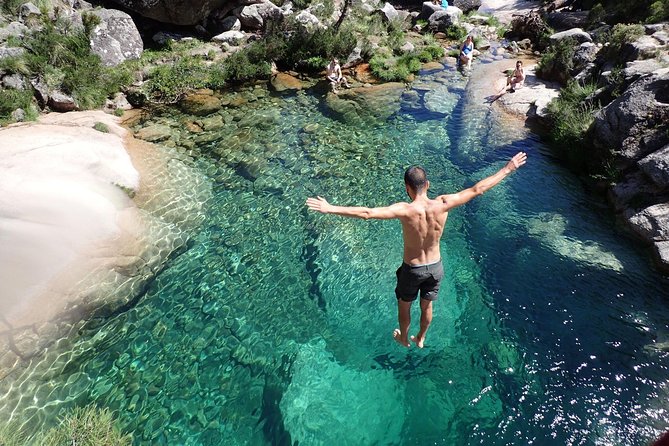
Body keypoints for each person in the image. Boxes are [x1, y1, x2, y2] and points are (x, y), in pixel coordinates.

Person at [306, 152, 528, 348]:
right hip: (435, 267)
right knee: (427, 306)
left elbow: (367, 213)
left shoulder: (405, 210)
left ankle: (404, 337)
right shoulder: (443, 203)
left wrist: (330, 208)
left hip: (412, 270)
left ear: (407, 188)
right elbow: (478, 189)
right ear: (428, 185)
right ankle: (421, 337)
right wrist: (508, 168)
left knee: (404, 306)